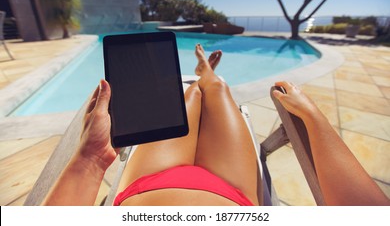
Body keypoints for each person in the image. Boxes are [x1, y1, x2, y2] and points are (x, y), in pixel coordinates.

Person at [42, 44, 389, 206]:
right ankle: (206, 72)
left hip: (148, 185)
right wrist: (312, 118)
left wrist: (90, 159)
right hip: (231, 193)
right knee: (218, 90)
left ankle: (200, 76)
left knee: (190, 100)